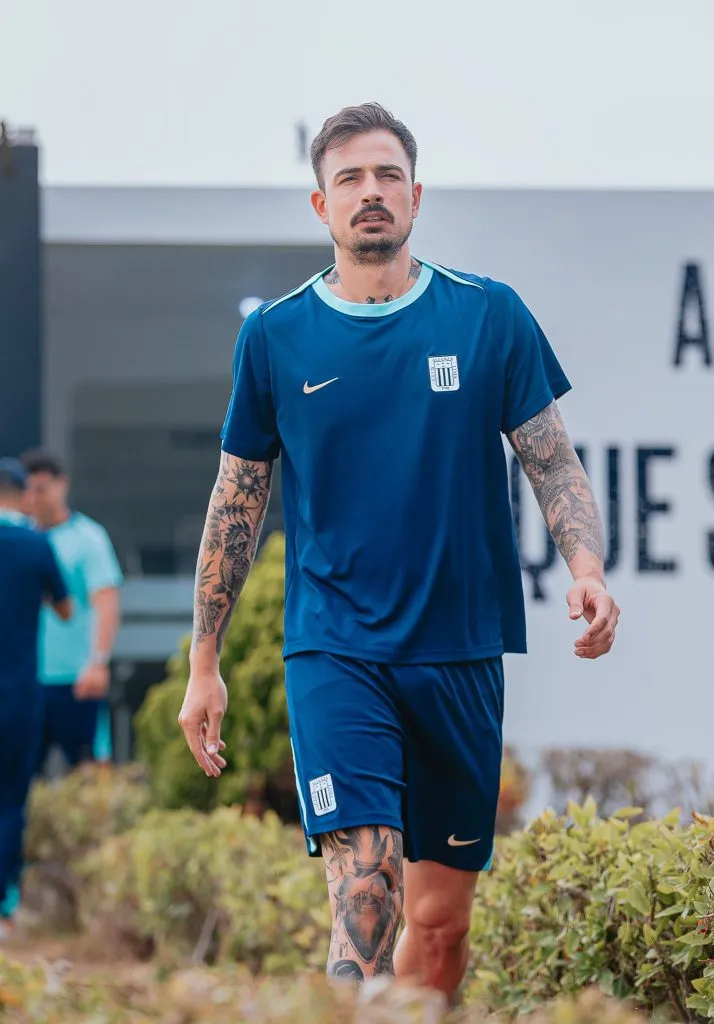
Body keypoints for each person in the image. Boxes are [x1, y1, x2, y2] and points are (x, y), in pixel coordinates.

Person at [178, 102, 621, 1002]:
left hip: (459, 650)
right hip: (334, 647)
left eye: (386, 177)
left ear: (415, 196)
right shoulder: (275, 337)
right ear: (320, 206)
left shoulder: (488, 315)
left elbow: (550, 459)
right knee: (366, 889)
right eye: (349, 179)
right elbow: (238, 500)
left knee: (440, 925)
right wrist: (204, 659)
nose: (370, 193)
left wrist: (586, 569)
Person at [0, 458, 71, 935]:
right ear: (24, 495)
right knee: (10, 800)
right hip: (18, 692)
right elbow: (66, 608)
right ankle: (4, 905)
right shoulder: (35, 543)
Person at [20, 451, 123, 771]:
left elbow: (106, 603)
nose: (36, 497)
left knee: (90, 767)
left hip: (76, 678)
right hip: (26, 678)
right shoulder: (16, 539)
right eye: (29, 489)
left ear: (61, 486)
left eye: (43, 488)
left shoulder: (89, 538)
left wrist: (98, 663)